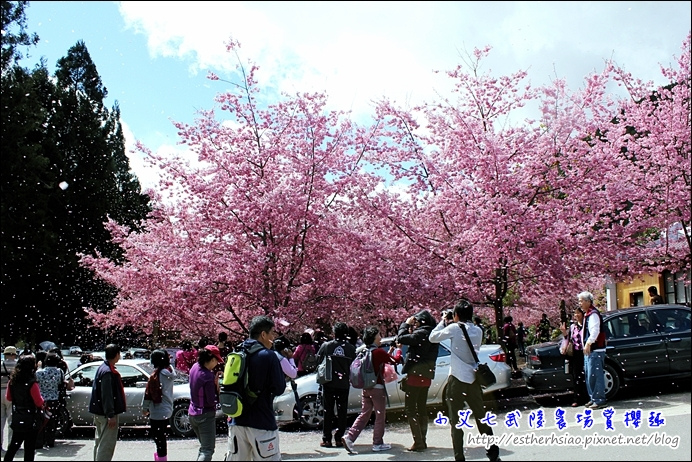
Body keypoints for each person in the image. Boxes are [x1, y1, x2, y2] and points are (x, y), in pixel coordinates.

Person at [429, 299, 501, 462]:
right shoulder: (478, 330)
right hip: (473, 380)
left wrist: (442, 320)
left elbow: (433, 337)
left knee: (456, 421)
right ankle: (493, 455)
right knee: (481, 418)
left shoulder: (455, 328)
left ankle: (459, 457)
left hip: (457, 380)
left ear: (456, 315)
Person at [227, 316, 286, 461]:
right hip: (262, 422)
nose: (273, 337)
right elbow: (279, 388)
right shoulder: (269, 356)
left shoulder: (237, 352)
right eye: (272, 333)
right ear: (263, 334)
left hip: (237, 422)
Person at [341, 325, 398, 454]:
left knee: (365, 414)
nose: (380, 338)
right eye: (378, 335)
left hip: (366, 388)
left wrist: (390, 350)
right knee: (380, 415)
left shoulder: (365, 351)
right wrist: (398, 350)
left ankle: (349, 437)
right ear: (373, 338)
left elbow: (380, 362)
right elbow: (395, 361)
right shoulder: (378, 352)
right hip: (377, 388)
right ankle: (378, 443)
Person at [396, 309, 438, 452]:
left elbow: (401, 338)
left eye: (417, 321)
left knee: (410, 409)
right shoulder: (433, 334)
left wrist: (405, 324)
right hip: (426, 376)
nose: (415, 324)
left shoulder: (420, 334)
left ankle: (418, 442)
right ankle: (423, 440)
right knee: (421, 408)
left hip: (415, 376)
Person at [316, 322, 356, 448]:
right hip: (344, 383)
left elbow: (317, 361)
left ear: (334, 332)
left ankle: (327, 439)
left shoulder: (326, 346)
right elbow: (354, 366)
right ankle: (339, 438)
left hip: (329, 383)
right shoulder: (350, 348)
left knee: (328, 411)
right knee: (342, 411)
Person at [88, 344, 126, 461]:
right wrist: (110, 414)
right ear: (116, 355)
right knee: (106, 445)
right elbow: (107, 395)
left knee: (100, 442)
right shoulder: (108, 372)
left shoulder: (103, 368)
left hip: (99, 412)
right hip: (106, 414)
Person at [4, 355, 44, 462]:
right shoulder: (32, 383)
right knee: (29, 448)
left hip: (18, 416)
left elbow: (8, 397)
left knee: (13, 446)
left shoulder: (12, 382)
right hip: (31, 419)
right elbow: (38, 402)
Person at [188, 345, 223, 461]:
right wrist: (217, 389)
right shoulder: (207, 376)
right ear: (212, 359)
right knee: (208, 450)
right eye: (216, 361)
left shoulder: (194, 367)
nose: (217, 364)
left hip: (192, 413)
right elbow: (210, 401)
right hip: (205, 415)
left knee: (203, 448)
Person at [142, 349, 175, 462]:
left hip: (157, 410)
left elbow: (148, 393)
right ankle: (161, 457)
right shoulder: (170, 372)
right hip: (167, 409)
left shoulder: (156, 376)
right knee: (161, 437)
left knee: (158, 438)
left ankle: (161, 459)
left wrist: (144, 407)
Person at [579, 291, 607, 410]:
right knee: (589, 375)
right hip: (590, 350)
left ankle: (599, 399)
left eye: (581, 301)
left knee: (595, 375)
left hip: (595, 350)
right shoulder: (588, 314)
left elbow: (595, 331)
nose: (579, 303)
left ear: (588, 301)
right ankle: (593, 398)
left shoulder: (593, 314)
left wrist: (589, 343)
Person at [34, 352, 64, 449]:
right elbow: (61, 383)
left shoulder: (40, 372)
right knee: (52, 421)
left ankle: (39, 441)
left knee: (41, 421)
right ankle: (50, 441)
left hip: (41, 399)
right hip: (54, 399)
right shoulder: (59, 372)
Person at [559, 307, 588, 407]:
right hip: (575, 354)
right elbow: (568, 339)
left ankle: (588, 397)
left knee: (587, 375)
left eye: (578, 313)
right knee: (576, 376)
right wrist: (564, 334)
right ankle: (577, 398)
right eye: (575, 314)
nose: (576, 316)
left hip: (586, 352)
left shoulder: (587, 325)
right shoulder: (573, 327)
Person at [1, 346, 18, 455]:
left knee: (0, 421)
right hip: (11, 393)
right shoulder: (17, 365)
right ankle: (11, 445)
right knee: (11, 420)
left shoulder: (1, 364)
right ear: (13, 354)